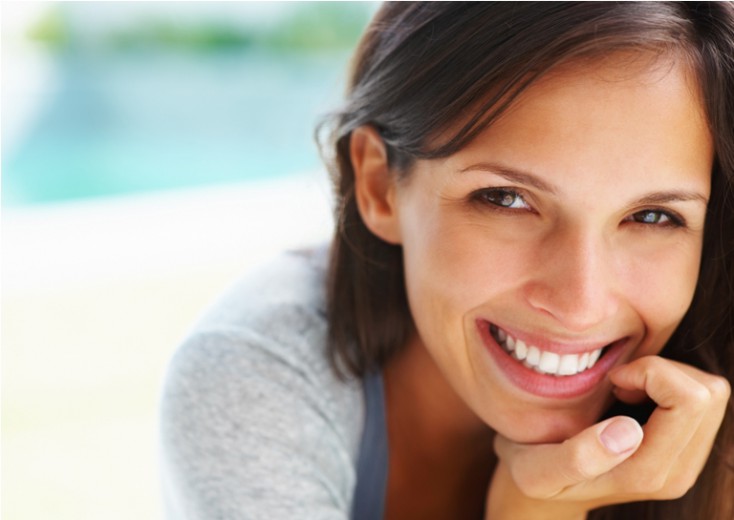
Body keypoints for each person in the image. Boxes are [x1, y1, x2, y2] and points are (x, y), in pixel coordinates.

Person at [160, 3, 734, 519]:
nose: (580, 305)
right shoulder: (256, 380)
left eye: (654, 217)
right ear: (379, 184)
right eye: (506, 199)